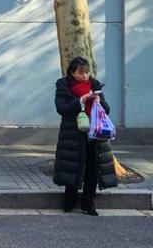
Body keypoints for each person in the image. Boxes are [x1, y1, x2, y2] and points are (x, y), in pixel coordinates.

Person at [52, 56, 117, 216]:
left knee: (92, 169)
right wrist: (80, 101)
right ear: (72, 72)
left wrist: (99, 101)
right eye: (81, 73)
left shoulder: (94, 85)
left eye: (87, 72)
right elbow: (61, 109)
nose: (85, 76)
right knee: (73, 167)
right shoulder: (64, 85)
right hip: (73, 134)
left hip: (94, 135)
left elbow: (107, 110)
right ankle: (69, 201)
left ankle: (89, 203)